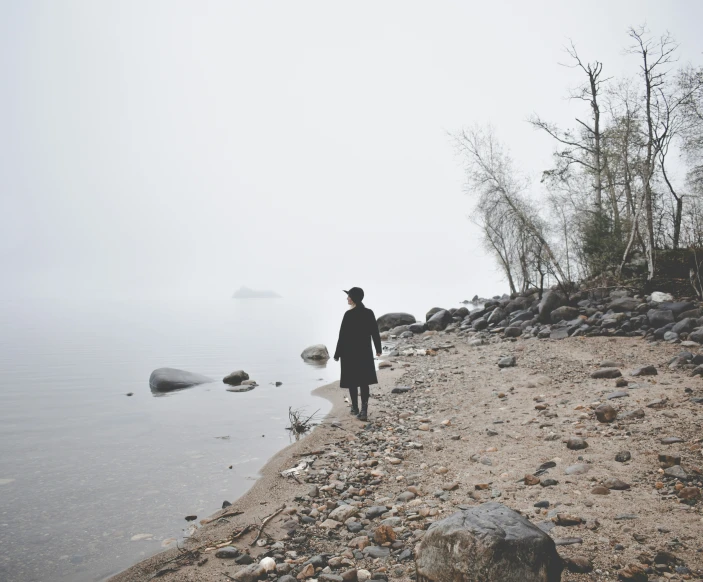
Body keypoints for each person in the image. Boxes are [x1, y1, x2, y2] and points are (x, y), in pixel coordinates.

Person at [333, 287, 382, 421]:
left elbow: (342, 336)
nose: (347, 298)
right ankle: (364, 409)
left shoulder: (348, 315)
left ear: (354, 298)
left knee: (352, 380)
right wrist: (378, 349)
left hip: (349, 353)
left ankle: (355, 408)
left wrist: (337, 354)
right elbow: (375, 332)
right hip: (364, 352)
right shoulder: (369, 313)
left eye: (348, 296)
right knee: (364, 381)